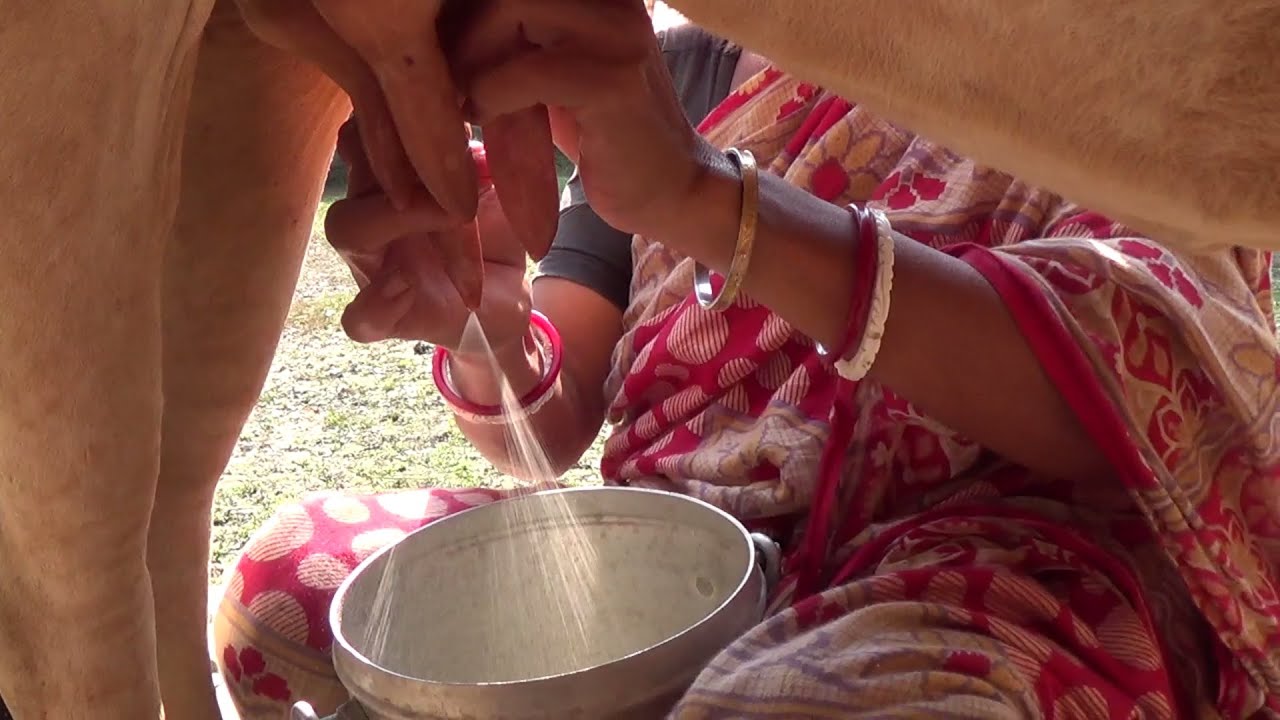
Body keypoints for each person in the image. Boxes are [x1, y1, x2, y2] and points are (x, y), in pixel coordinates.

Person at [214, 14, 1280, 720]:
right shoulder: (676, 74)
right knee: (281, 580)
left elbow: (1128, 377)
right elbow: (555, 408)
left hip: (998, 572)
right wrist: (485, 332)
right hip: (688, 562)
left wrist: (713, 204)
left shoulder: (1120, 68)